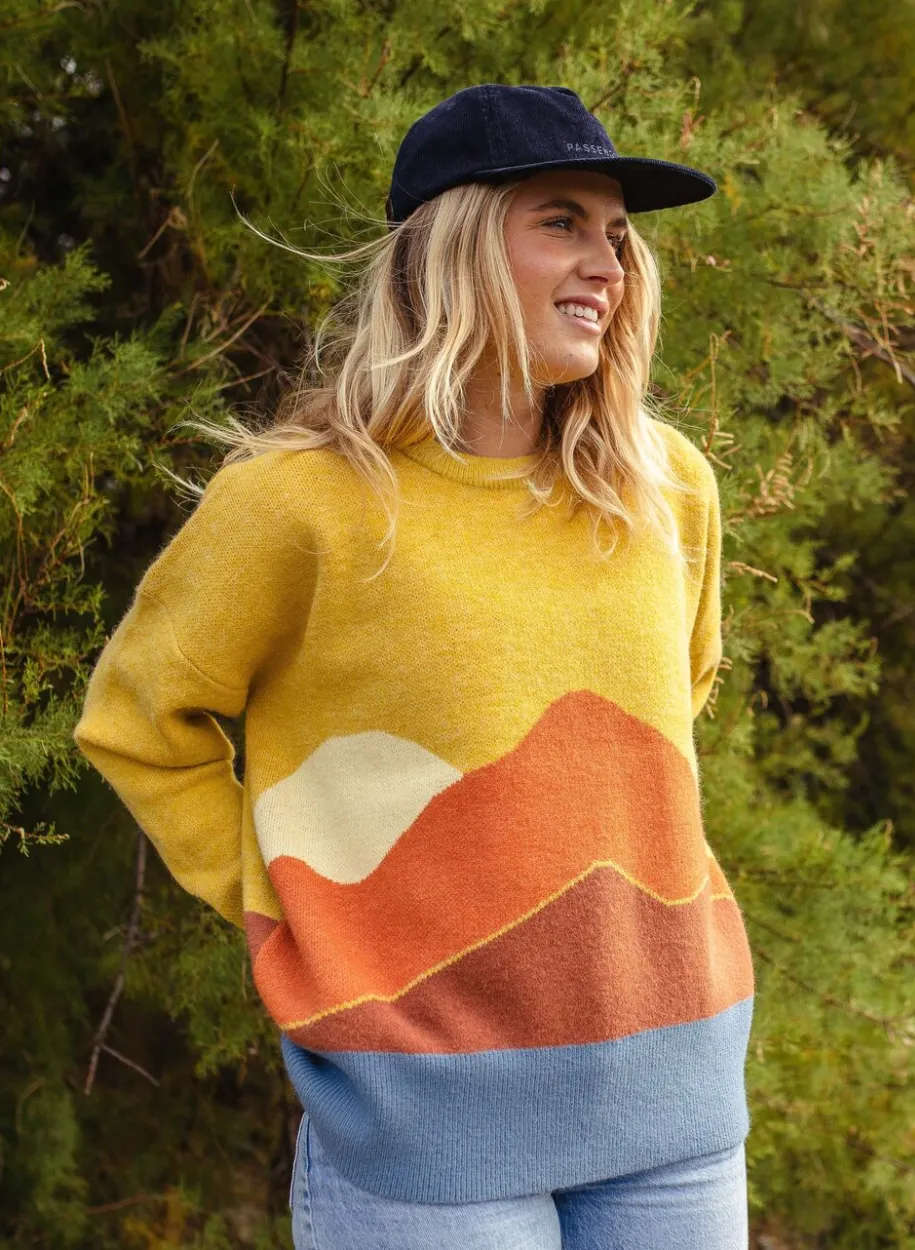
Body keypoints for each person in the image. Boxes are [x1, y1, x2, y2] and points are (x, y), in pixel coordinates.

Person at [73, 83, 755, 1249]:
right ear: (452, 246)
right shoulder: (300, 504)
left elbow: (667, 709)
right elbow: (138, 721)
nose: (607, 264)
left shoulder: (667, 485)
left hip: (676, 1100)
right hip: (426, 1130)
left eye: (617, 235)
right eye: (561, 222)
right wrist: (297, 903)